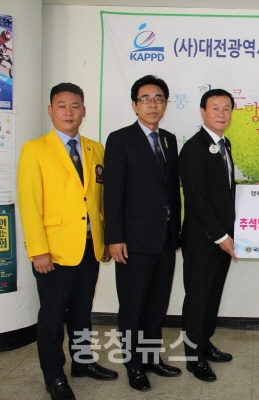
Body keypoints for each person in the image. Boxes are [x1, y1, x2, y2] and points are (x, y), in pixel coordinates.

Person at [17, 83, 118, 400]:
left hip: (89, 246)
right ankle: (54, 376)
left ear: (84, 111)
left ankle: (83, 362)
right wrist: (39, 251)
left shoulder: (95, 149)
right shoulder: (35, 150)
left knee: (82, 311)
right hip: (54, 251)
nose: (69, 111)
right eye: (61, 105)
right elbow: (29, 204)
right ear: (51, 110)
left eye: (75, 105)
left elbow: (101, 199)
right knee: (52, 316)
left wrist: (106, 240)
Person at [103, 75, 181, 392]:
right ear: (134, 105)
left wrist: (176, 231)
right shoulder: (120, 139)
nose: (153, 104)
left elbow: (170, 191)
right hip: (133, 240)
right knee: (133, 307)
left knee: (156, 305)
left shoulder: (169, 140)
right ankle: (134, 365)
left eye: (158, 98)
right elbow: (112, 193)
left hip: (165, 238)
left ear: (165, 104)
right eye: (146, 99)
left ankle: (150, 358)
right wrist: (114, 237)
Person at [179, 89, 237, 382]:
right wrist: (220, 236)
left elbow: (222, 192)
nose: (221, 114)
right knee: (197, 300)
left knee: (212, 297)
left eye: (226, 108)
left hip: (223, 239)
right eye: (215, 108)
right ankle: (193, 357)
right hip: (203, 241)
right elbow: (196, 199)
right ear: (203, 111)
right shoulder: (193, 148)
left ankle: (204, 343)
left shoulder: (225, 145)